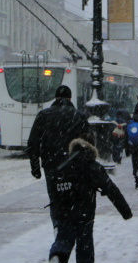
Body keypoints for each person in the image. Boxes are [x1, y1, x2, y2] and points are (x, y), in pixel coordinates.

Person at [48, 136, 132, 263]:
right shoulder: (92, 166)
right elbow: (110, 189)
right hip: (84, 211)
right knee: (84, 240)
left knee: (64, 237)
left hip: (64, 210)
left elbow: (53, 193)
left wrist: (56, 215)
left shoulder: (63, 166)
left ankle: (57, 257)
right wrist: (125, 211)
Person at [27, 85, 91, 231]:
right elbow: (88, 144)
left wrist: (35, 167)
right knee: (74, 199)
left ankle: (58, 227)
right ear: (70, 98)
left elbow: (33, 143)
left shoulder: (44, 115)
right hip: (75, 166)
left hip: (52, 166)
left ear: (55, 98)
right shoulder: (79, 116)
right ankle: (73, 227)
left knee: (56, 200)